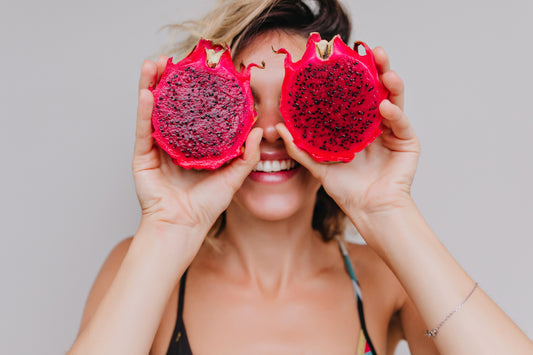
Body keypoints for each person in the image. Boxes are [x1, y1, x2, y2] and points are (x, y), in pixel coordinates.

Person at [68, 0, 533, 354]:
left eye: (301, 98)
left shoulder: (381, 279)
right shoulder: (147, 266)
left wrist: (387, 210)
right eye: (242, 103)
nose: (270, 132)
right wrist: (168, 228)